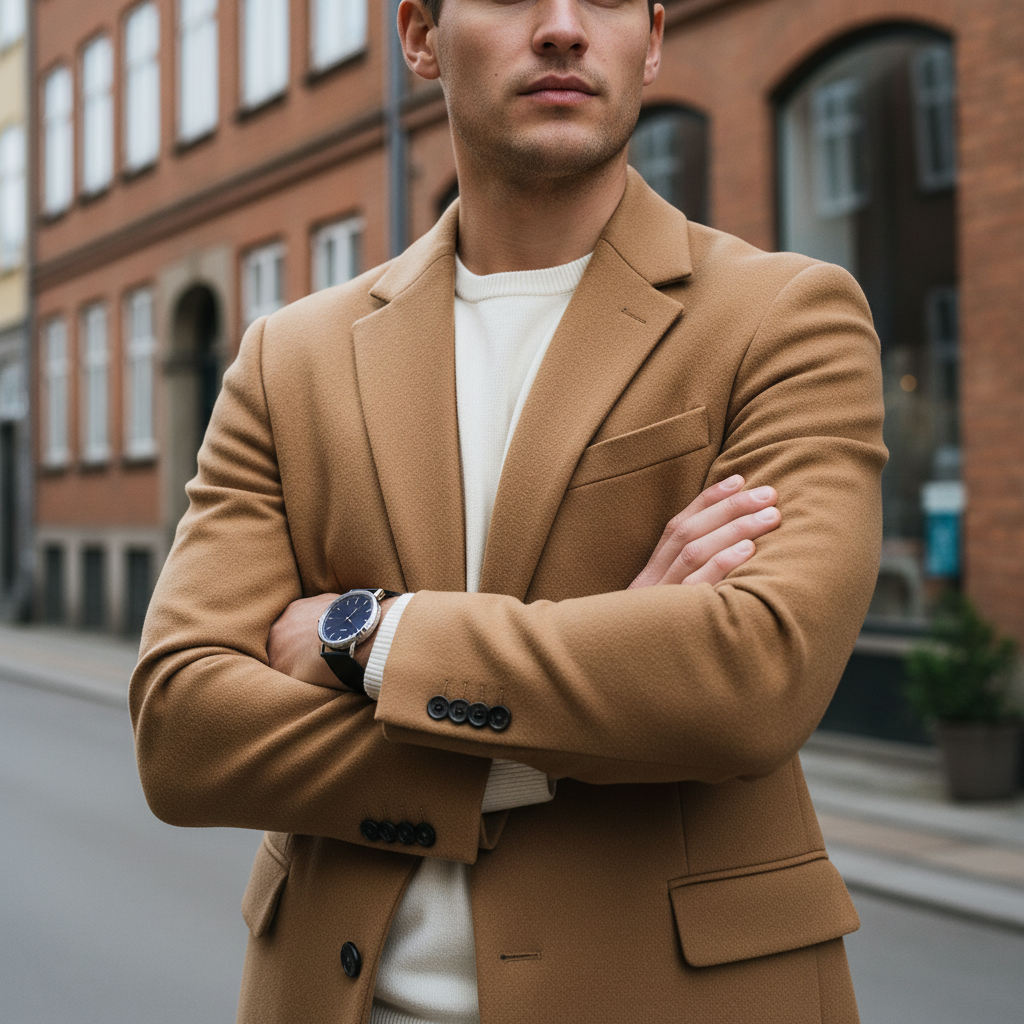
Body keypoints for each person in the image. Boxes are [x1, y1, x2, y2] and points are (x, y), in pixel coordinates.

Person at [130, 0, 886, 1019]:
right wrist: (612, 675)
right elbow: (183, 730)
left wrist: (368, 636)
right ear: (418, 35)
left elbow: (750, 677)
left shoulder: (784, 317)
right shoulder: (289, 360)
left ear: (653, 37)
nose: (564, 27)